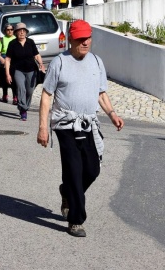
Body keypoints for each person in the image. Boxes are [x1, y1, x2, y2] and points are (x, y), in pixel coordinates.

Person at [37, 20, 124, 238]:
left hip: (88, 123)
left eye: (88, 38)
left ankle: (67, 192)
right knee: (74, 171)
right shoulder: (59, 62)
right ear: (71, 40)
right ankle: (76, 220)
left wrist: (112, 114)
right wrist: (43, 127)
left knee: (92, 169)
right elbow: (47, 96)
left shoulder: (96, 61)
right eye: (80, 39)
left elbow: (101, 93)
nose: (85, 42)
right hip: (65, 124)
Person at [5, 22, 45, 121]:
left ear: (26, 32)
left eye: (24, 31)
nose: (22, 33)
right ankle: (23, 110)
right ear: (16, 33)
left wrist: (41, 63)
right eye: (19, 31)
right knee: (21, 88)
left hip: (31, 70)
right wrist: (7, 74)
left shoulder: (30, 42)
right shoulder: (12, 44)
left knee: (30, 91)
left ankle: (24, 106)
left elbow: (36, 55)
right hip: (18, 70)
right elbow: (8, 60)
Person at [0, 23, 16, 104]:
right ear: (5, 31)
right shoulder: (2, 40)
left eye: (11, 29)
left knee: (14, 79)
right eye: (8, 30)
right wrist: (1, 58)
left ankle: (15, 96)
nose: (10, 31)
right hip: (4, 58)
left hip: (14, 59)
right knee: (4, 78)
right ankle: (5, 95)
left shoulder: (16, 39)